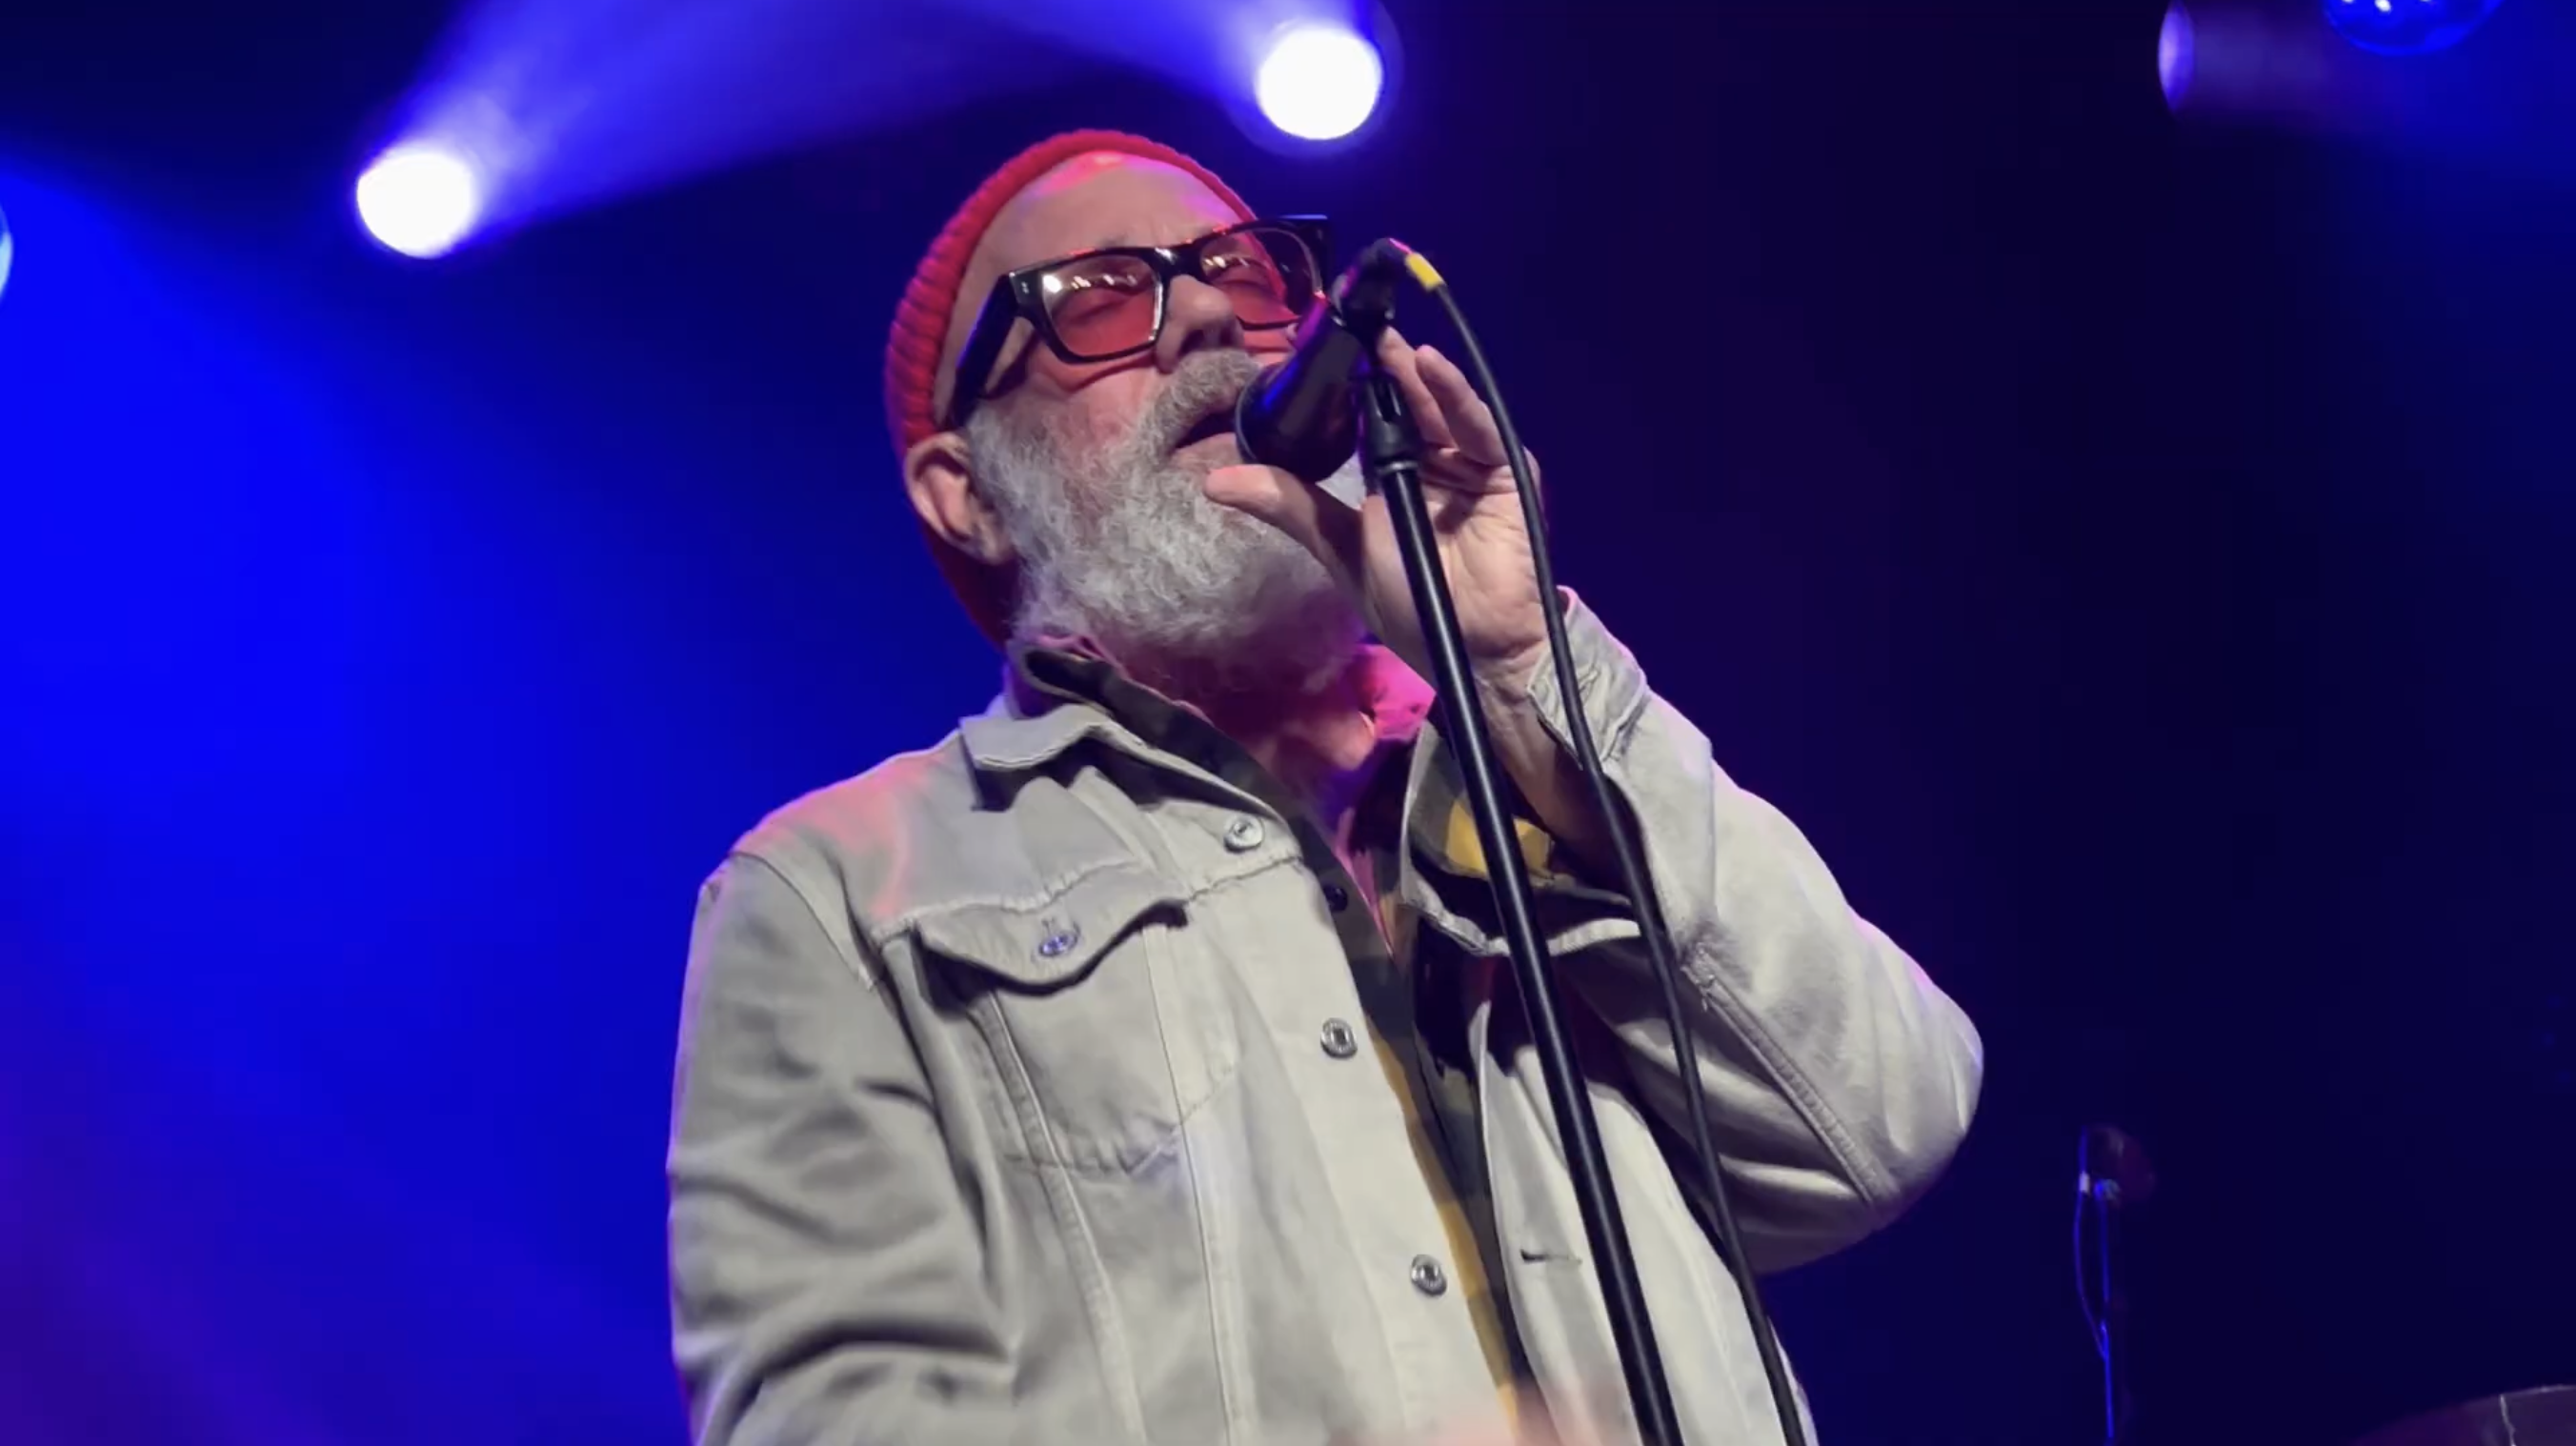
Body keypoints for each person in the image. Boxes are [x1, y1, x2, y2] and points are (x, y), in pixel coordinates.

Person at [665, 129, 1983, 1446]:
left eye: (1242, 274)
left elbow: (1878, 1127)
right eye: (1101, 297)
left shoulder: (1515, 767)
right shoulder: (842, 896)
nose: (1203, 318)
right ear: (970, 497)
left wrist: (1519, 663)